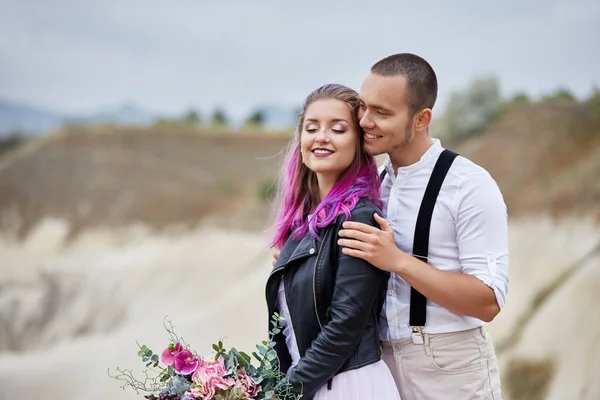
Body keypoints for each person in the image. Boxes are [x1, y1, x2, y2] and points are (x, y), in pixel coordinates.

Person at [336, 53, 508, 399]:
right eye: (363, 107)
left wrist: (397, 261)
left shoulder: (469, 185)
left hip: (449, 365)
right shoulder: (371, 185)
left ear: (421, 118)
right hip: (377, 366)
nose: (365, 121)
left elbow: (488, 301)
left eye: (382, 113)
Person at [265, 83, 402, 400]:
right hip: (314, 383)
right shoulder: (304, 223)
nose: (321, 137)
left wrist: (286, 392)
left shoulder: (359, 219)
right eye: (311, 128)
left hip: (348, 386)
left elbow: (344, 328)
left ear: (359, 141)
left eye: (338, 129)